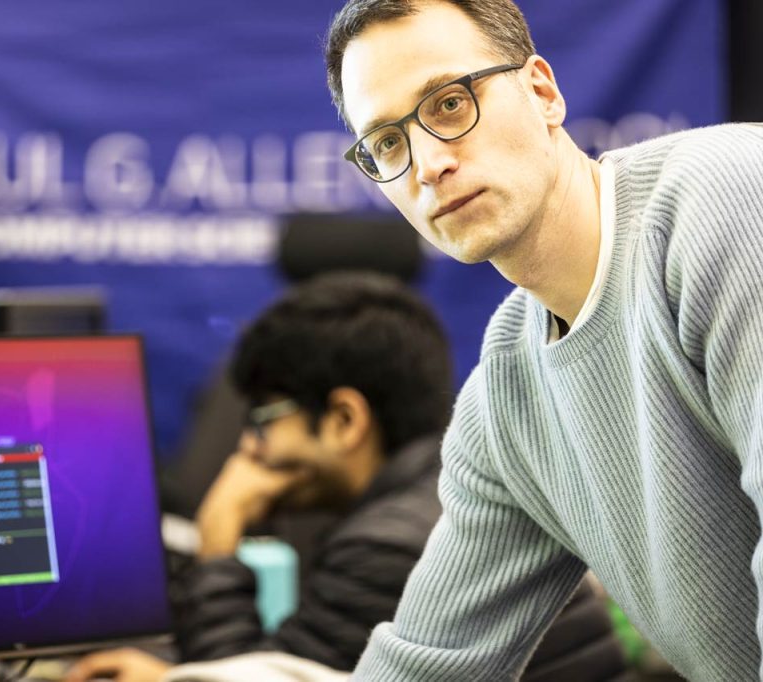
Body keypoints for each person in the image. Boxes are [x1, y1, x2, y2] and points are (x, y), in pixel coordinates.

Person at [323, 0, 763, 680]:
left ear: (542, 92)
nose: (427, 164)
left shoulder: (729, 198)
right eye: (386, 143)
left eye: (449, 104)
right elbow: (429, 663)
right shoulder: (506, 396)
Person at [66, 272, 627, 681]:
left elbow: (254, 676)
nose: (246, 447)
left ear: (344, 420)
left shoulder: (387, 549)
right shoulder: (446, 493)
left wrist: (219, 539)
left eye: (262, 419)